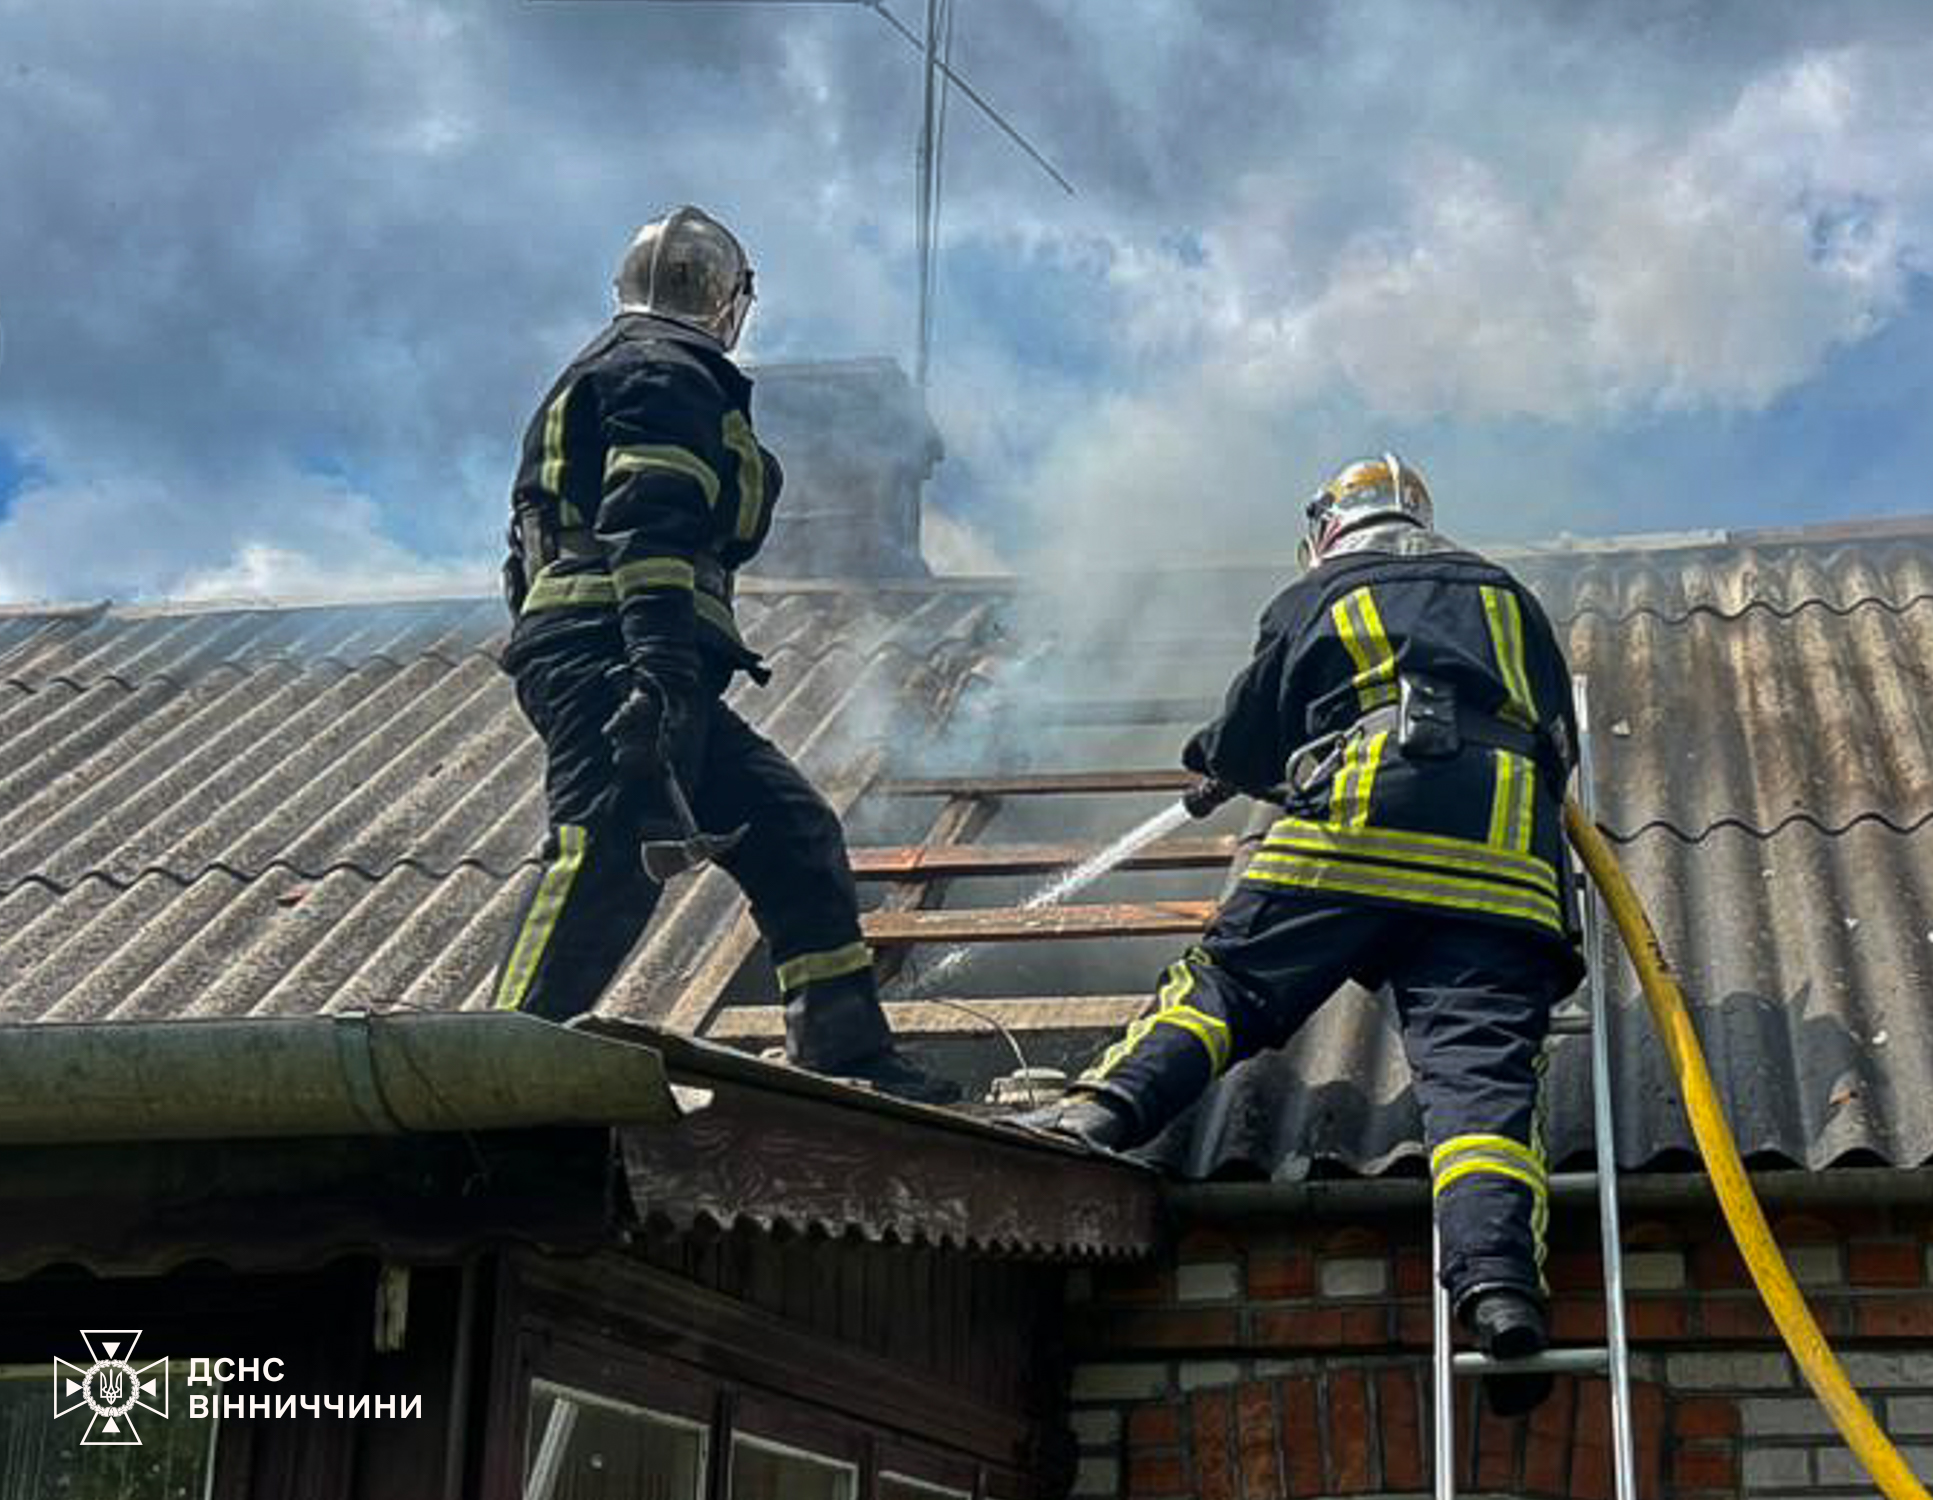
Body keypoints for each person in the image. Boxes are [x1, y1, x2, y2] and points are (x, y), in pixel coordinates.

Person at [1021, 453, 1583, 1411]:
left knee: (1232, 983)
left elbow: (1251, 727)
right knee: (1481, 1090)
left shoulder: (1322, 590)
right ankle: (1498, 1292)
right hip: (1501, 857)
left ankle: (1099, 1113)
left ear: (1331, 526)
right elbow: (1557, 746)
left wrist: (1217, 762)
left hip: (1362, 819)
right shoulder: (1511, 598)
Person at [490, 205, 955, 1105]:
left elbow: (528, 561)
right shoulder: (666, 370)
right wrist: (657, 669)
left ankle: (844, 1050)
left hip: (617, 652)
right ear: (727, 300)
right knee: (606, 849)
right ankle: (500, 1076)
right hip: (625, 656)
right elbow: (653, 517)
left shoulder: (612, 370)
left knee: (795, 832)